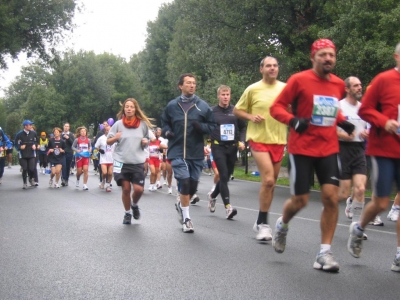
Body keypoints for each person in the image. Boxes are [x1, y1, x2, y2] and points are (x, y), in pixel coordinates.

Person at [270, 39, 355, 272]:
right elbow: (276, 108)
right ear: (313, 57)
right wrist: (293, 120)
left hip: (328, 148)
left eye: (332, 55)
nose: (328, 58)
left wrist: (342, 121)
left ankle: (324, 253)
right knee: (301, 200)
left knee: (330, 197)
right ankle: (282, 224)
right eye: (323, 54)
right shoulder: (299, 80)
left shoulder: (338, 84)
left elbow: (328, 109)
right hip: (302, 149)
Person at [347, 42, 400, 272]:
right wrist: (384, 122)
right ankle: (358, 228)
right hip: (384, 149)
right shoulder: (383, 80)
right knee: (380, 202)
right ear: (396, 57)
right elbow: (365, 110)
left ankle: (398, 255)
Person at [234, 56, 286, 239]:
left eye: (275, 66)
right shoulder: (253, 89)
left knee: (271, 185)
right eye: (268, 66)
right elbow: (237, 110)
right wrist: (250, 117)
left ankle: (260, 219)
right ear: (261, 69)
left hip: (279, 140)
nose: (272, 68)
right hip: (258, 139)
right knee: (269, 180)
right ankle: (264, 224)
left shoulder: (285, 88)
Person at [161, 73, 216, 233]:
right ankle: (186, 218)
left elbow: (212, 125)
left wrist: (202, 128)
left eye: (194, 83)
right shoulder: (172, 105)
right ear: (180, 86)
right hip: (177, 151)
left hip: (196, 152)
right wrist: (167, 132)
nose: (192, 85)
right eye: (188, 83)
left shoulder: (202, 106)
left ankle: (180, 205)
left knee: (192, 187)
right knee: (184, 182)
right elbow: (165, 123)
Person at [107, 98, 154, 225]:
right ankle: (127, 214)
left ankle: (134, 205)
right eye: (127, 107)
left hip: (137, 161)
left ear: (135, 109)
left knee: (139, 189)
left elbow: (147, 139)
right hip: (120, 161)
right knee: (126, 189)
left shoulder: (142, 124)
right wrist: (115, 138)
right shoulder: (118, 124)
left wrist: (145, 142)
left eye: (131, 107)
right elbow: (108, 141)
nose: (129, 109)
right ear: (124, 109)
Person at [208, 85, 246, 219]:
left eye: (227, 94)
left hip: (232, 147)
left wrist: (242, 141)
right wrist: (206, 143)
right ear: (218, 96)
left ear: (230, 95)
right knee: (223, 174)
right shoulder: (211, 111)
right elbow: (205, 128)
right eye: (223, 94)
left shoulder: (236, 111)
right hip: (218, 147)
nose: (225, 97)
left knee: (226, 177)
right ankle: (228, 207)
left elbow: (243, 128)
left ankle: (213, 196)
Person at [338, 77, 369, 224]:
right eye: (355, 85)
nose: (359, 88)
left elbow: (368, 128)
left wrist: (366, 133)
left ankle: (356, 226)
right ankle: (329, 206)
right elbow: (328, 129)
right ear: (347, 89)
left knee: (361, 189)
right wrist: (343, 135)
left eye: (360, 85)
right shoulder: (339, 106)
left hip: (359, 149)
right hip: (342, 149)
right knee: (343, 192)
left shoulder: (363, 108)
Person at [14, 120, 39, 189]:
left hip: (31, 154)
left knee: (31, 169)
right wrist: (20, 147)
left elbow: (37, 141)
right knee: (24, 169)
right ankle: (24, 183)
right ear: (25, 126)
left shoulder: (33, 133)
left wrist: (35, 145)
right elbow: (15, 143)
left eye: (31, 125)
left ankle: (31, 179)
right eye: (30, 125)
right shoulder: (19, 134)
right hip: (23, 155)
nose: (31, 126)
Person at [95, 120, 115, 192]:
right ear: (104, 131)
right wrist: (100, 150)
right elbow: (96, 146)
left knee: (110, 173)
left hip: (111, 158)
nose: (107, 131)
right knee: (104, 173)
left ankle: (108, 185)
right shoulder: (101, 138)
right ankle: (103, 180)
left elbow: (117, 147)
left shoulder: (114, 138)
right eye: (106, 130)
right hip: (103, 158)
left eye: (109, 130)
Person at [72, 126, 92, 190]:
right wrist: (76, 150)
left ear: (86, 132)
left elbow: (90, 146)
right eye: (82, 131)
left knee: (86, 170)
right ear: (80, 133)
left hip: (86, 156)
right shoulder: (77, 140)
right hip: (79, 157)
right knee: (79, 172)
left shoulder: (88, 140)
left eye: (84, 131)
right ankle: (78, 179)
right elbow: (72, 147)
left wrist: (90, 149)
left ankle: (85, 184)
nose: (83, 132)